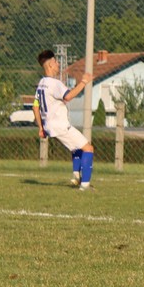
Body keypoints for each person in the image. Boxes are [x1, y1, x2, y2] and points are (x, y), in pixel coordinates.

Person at [33, 49, 95, 189]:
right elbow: (68, 96)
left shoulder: (41, 83)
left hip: (49, 127)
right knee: (88, 149)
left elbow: (35, 107)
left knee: (76, 148)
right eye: (56, 61)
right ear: (50, 65)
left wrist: (41, 128)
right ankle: (85, 185)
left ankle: (76, 177)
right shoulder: (55, 83)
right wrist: (84, 82)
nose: (58, 64)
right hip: (60, 126)